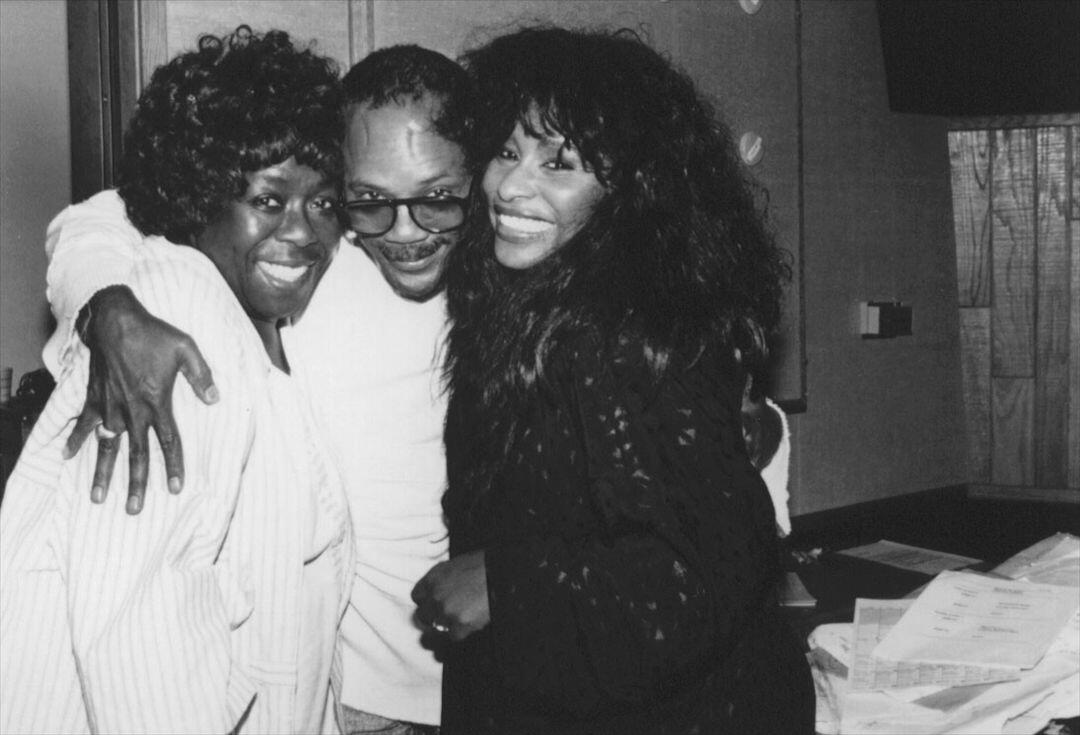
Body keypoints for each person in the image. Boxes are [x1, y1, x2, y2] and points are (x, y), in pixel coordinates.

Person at [39, 43, 477, 734]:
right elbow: (96, 219)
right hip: (349, 695)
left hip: (495, 684)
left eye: (437, 197)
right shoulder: (320, 259)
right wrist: (109, 304)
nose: (404, 229)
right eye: (368, 199)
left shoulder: (511, 274)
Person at [410, 26, 814, 734]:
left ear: (631, 193)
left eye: (558, 163)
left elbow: (702, 573)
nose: (509, 185)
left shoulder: (624, 336)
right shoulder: (530, 308)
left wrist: (504, 585)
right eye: (505, 151)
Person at [0, 27, 353, 734]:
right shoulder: (176, 313)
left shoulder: (255, 314)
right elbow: (137, 638)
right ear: (197, 197)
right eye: (269, 200)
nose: (305, 232)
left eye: (323, 203)